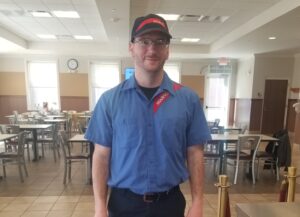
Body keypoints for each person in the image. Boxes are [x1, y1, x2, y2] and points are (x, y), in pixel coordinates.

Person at [85, 13, 211, 217]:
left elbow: (195, 153)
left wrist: (198, 202)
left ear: (168, 50)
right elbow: (101, 156)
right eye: (144, 41)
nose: (152, 49)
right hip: (122, 205)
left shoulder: (188, 99)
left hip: (169, 205)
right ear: (131, 47)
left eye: (160, 42)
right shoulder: (109, 101)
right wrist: (99, 207)